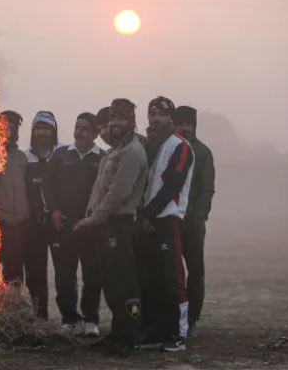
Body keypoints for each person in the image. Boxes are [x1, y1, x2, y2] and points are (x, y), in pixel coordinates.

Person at [75, 99, 148, 356]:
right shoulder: (115, 151)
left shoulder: (131, 153)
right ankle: (118, 333)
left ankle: (129, 337)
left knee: (125, 285)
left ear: (132, 122)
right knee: (111, 283)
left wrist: (92, 219)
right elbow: (100, 190)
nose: (115, 124)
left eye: (122, 119)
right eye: (113, 118)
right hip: (106, 226)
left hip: (118, 225)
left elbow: (118, 194)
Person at [138, 96, 194, 352]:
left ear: (170, 117)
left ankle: (177, 334)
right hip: (148, 220)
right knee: (150, 278)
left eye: (161, 114)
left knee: (173, 278)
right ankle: (155, 331)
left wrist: (149, 214)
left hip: (166, 218)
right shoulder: (152, 145)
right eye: (152, 114)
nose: (155, 119)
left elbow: (172, 184)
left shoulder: (180, 146)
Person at [43, 113, 104, 337]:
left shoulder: (102, 158)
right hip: (63, 226)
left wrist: (94, 218)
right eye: (77, 127)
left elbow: (107, 192)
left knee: (93, 274)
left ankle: (90, 320)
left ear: (95, 133)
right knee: (64, 274)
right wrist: (54, 210)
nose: (79, 132)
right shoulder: (61, 155)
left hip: (90, 227)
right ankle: (69, 319)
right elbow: (46, 186)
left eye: (85, 128)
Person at [173, 106, 215, 337]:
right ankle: (173, 317)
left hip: (193, 224)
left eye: (189, 124)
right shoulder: (168, 149)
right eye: (180, 123)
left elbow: (207, 189)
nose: (185, 128)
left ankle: (193, 318)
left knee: (195, 272)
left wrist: (198, 216)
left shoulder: (203, 152)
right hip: (169, 222)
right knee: (170, 272)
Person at [22, 110, 60, 320]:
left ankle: (71, 319)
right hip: (32, 225)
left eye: (47, 129)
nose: (42, 133)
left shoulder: (63, 154)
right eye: (39, 129)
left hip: (57, 223)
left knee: (64, 272)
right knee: (35, 273)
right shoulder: (24, 157)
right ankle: (40, 316)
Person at [0, 111, 30, 286]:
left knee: (14, 273)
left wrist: (22, 215)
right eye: (7, 127)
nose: (11, 131)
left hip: (19, 225)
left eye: (15, 127)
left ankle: (14, 308)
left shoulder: (22, 157)